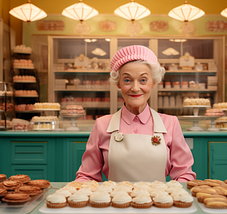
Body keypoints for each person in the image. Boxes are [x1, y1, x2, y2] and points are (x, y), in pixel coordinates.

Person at [76, 45, 196, 182]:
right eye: (127, 80)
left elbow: (184, 175)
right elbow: (87, 176)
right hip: (115, 203)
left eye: (143, 80)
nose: (135, 88)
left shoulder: (170, 124)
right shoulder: (102, 125)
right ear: (118, 83)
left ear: (153, 82)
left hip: (157, 203)